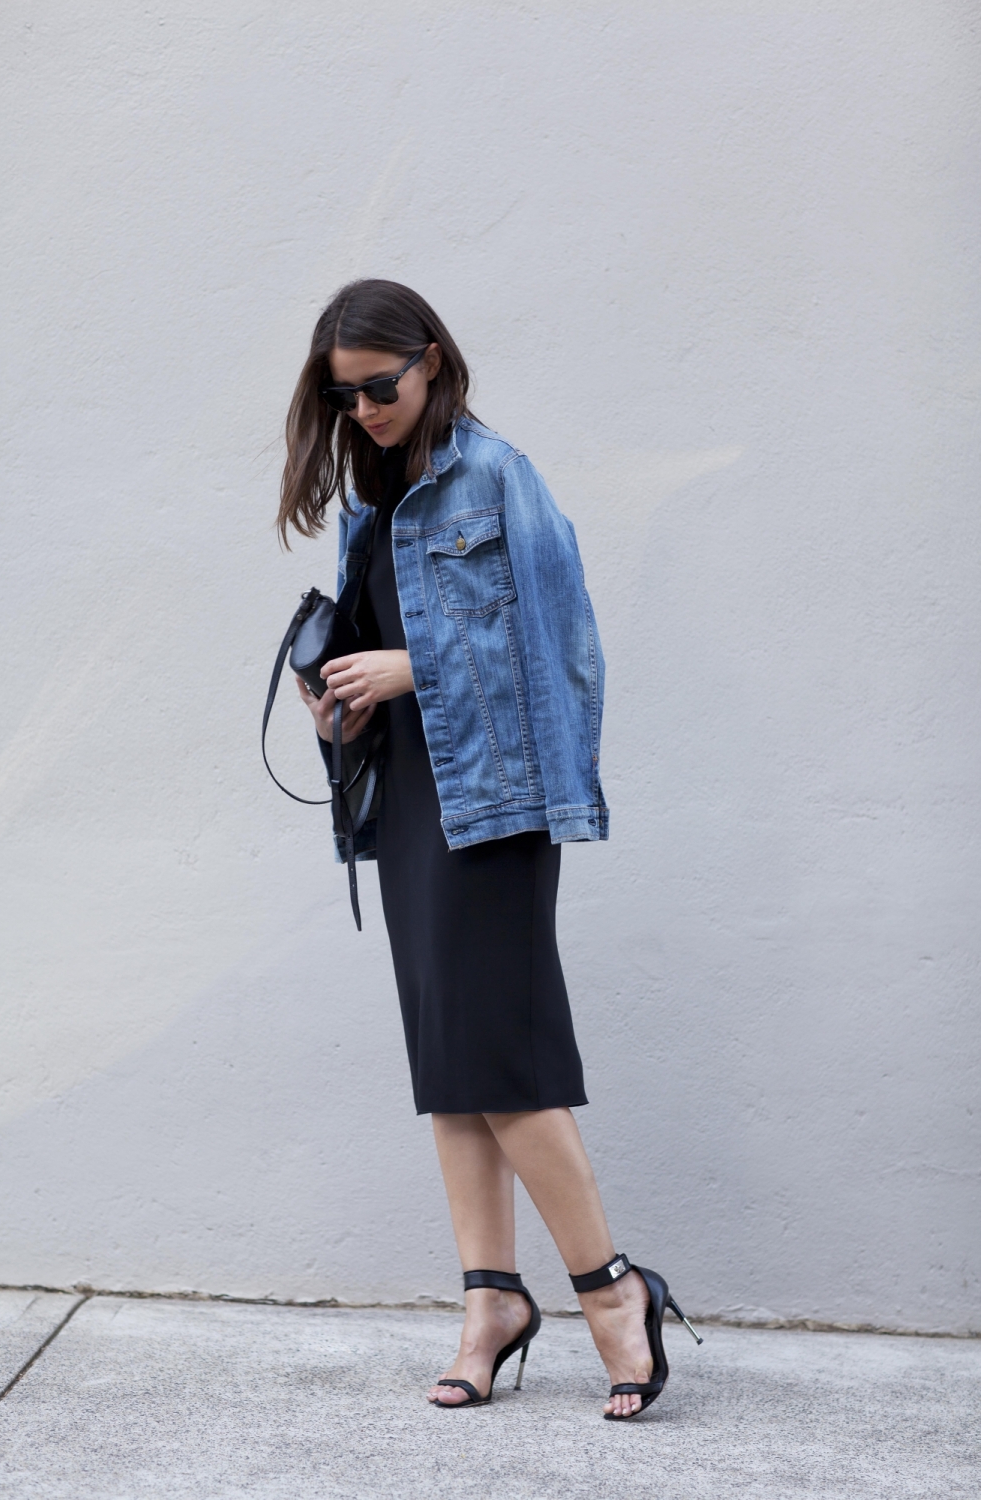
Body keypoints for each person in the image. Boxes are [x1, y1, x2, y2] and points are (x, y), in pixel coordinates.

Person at [278, 279, 699, 1419]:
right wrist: (343, 704)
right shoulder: (373, 496)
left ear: (432, 361)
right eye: (342, 394)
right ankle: (489, 1302)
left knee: (504, 1062)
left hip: (493, 803)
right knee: (453, 1072)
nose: (362, 409)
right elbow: (376, 648)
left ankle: (614, 1293)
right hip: (411, 798)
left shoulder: (496, 476)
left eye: (381, 387)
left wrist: (416, 669)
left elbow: (565, 647)